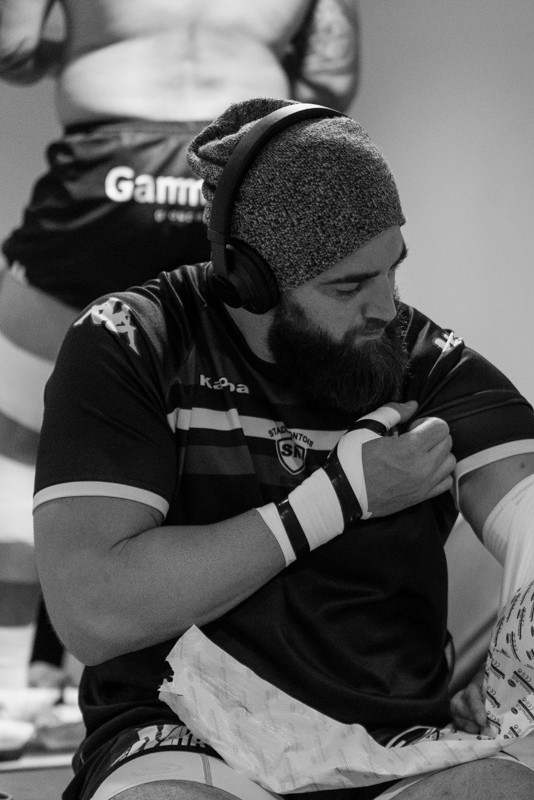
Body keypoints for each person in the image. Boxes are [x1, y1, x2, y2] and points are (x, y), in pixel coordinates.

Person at [32, 97, 534, 800]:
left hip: (385, 744)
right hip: (184, 729)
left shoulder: (430, 366)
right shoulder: (134, 341)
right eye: (348, 287)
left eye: (393, 269)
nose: (386, 307)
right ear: (251, 282)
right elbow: (93, 611)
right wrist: (336, 500)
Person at [0, 0, 360, 688]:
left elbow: (14, 50)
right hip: (240, 168)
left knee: (14, 447)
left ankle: (6, 685)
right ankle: (165, 684)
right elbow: (328, 85)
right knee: (221, 441)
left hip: (109, 170)